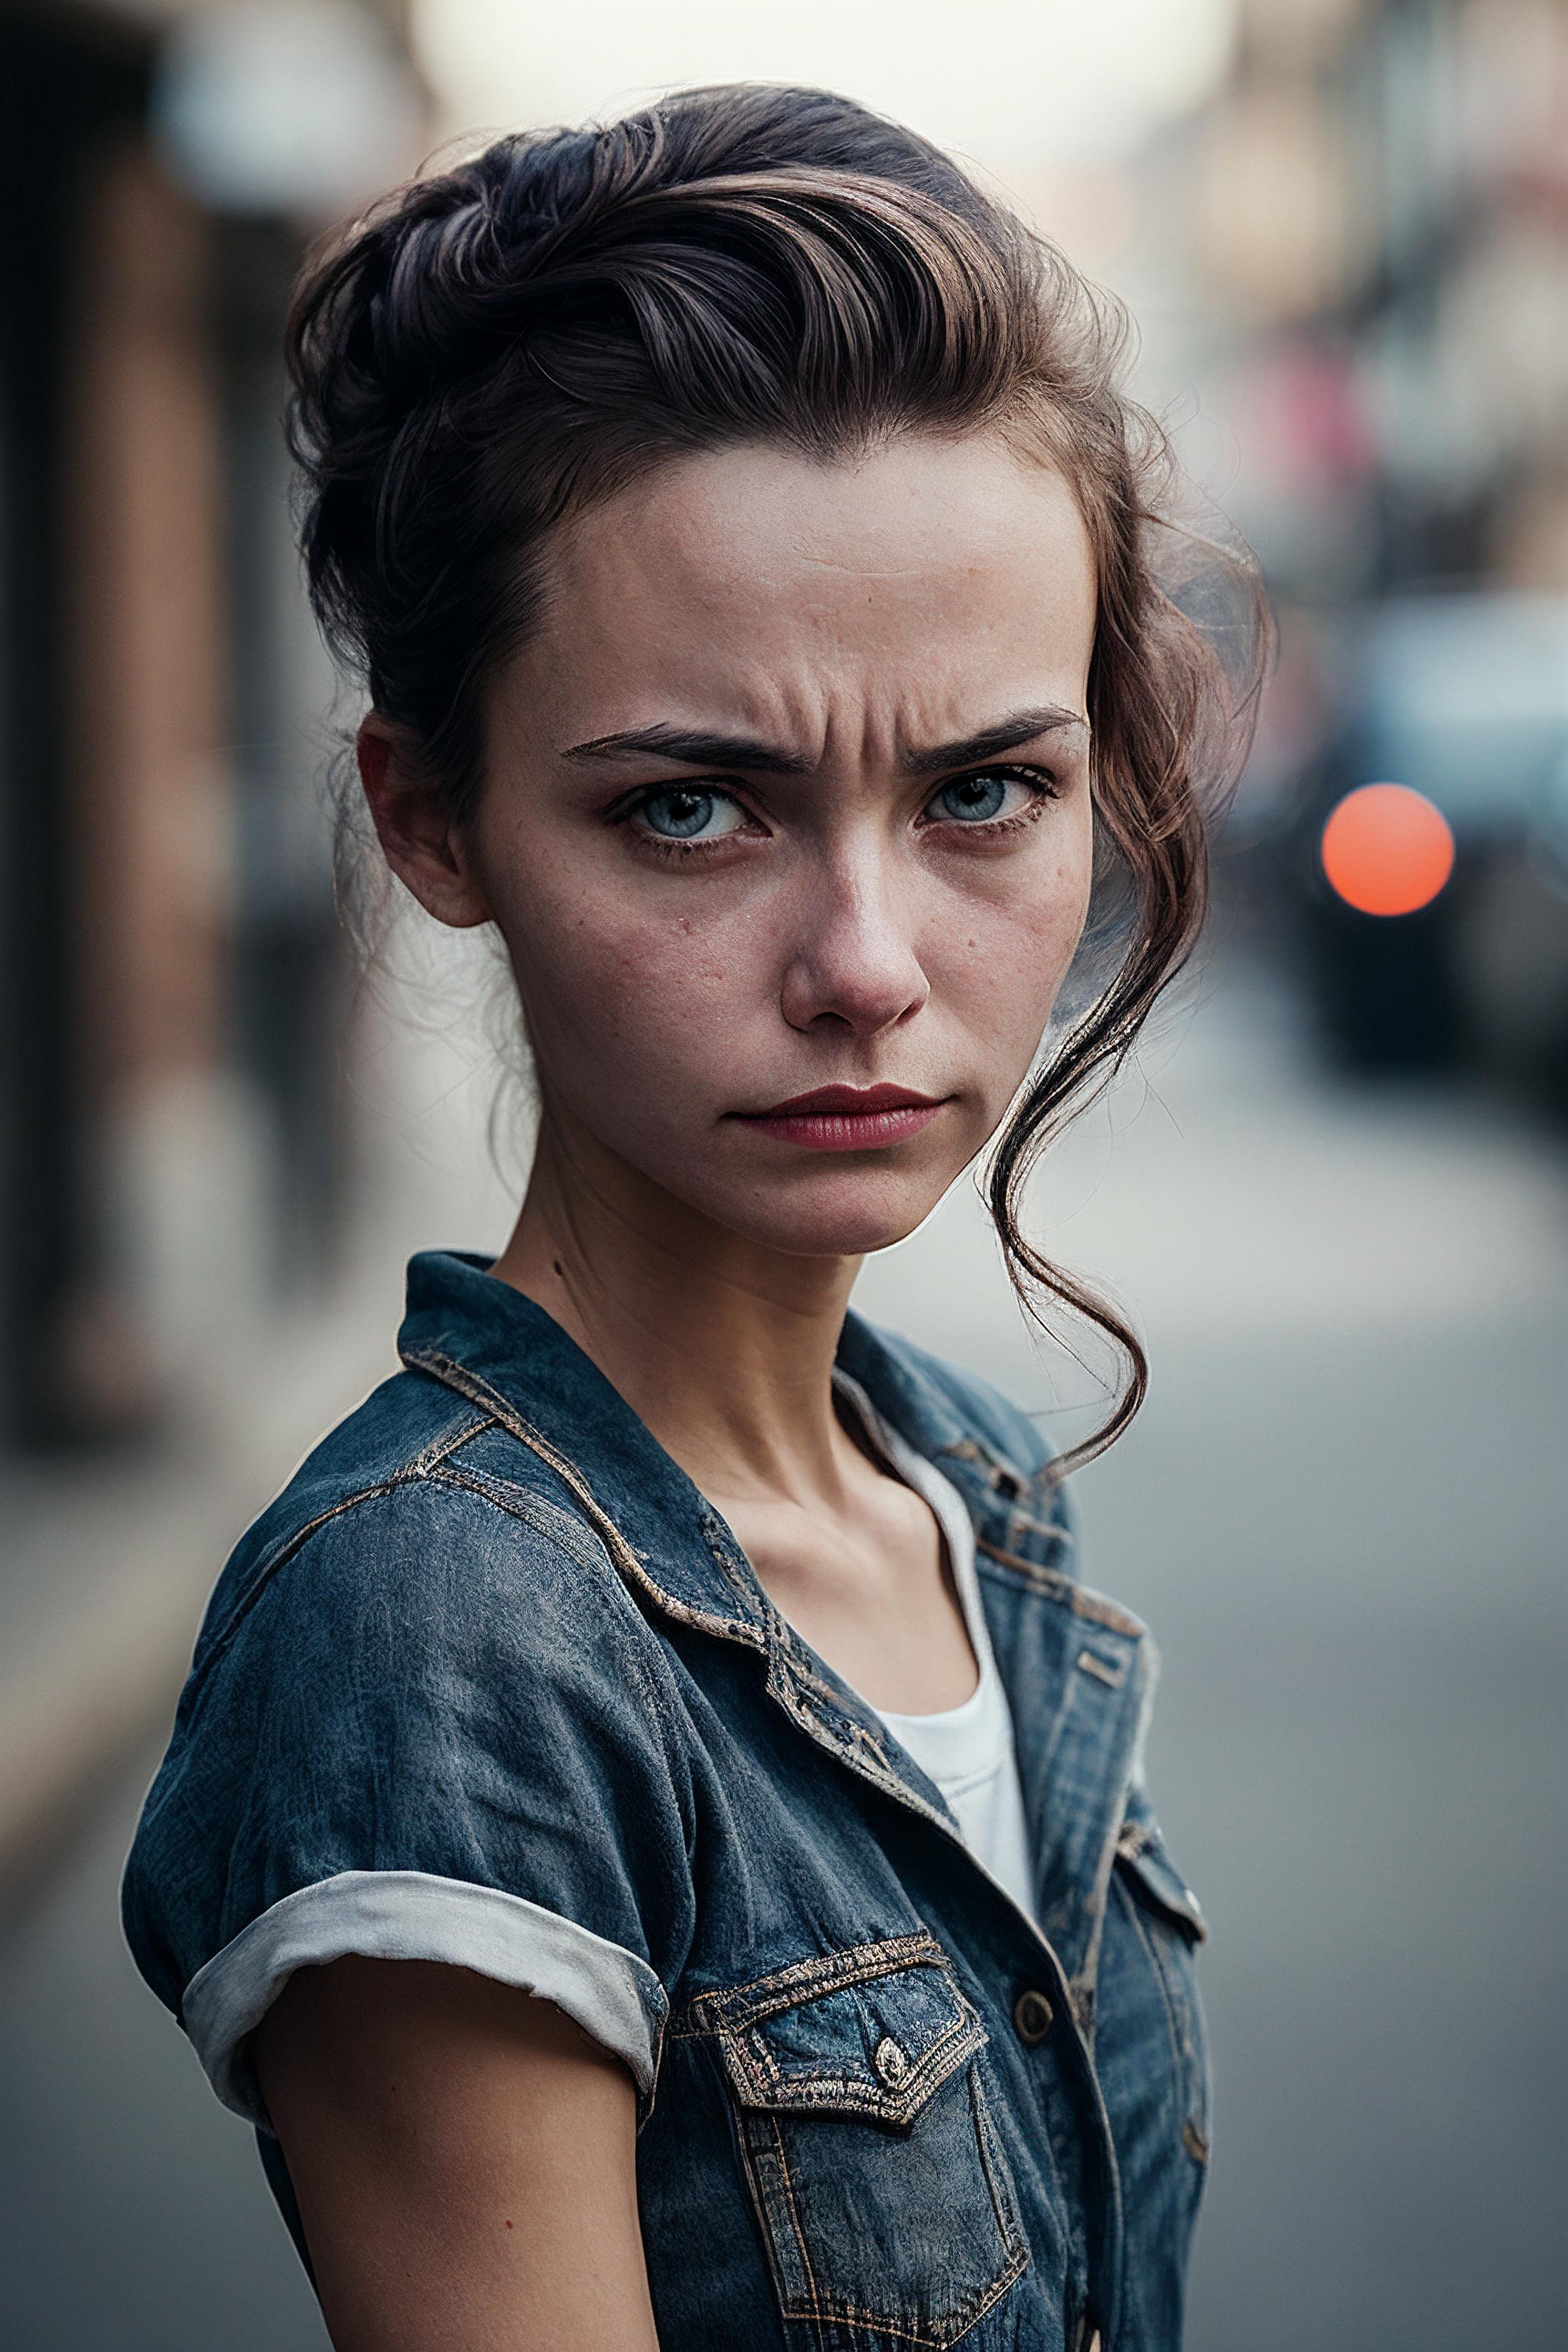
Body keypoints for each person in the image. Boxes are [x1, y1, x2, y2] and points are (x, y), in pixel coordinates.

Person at [123, 83, 1266, 2352]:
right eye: (690, 805)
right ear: (431, 818)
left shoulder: (967, 1485)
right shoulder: (447, 1638)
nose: (866, 960)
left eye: (982, 791)